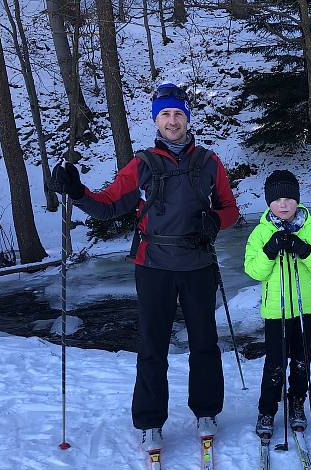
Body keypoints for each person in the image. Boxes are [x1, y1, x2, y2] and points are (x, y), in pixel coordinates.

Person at [51, 82, 240, 447]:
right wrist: (77, 192)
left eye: (178, 114)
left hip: (198, 263)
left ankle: (206, 412)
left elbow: (230, 210)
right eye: (165, 114)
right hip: (153, 265)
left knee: (205, 341)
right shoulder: (142, 164)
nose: (172, 121)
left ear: (187, 118)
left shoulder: (209, 162)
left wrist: (216, 221)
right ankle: (150, 421)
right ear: (156, 120)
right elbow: (107, 204)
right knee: (153, 344)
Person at [243, 170, 311, 439]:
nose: (283, 204)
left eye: (289, 198)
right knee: (275, 363)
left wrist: (303, 249)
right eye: (277, 199)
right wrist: (270, 250)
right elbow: (253, 271)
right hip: (276, 312)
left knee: (302, 361)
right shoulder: (260, 233)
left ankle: (297, 402)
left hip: (305, 310)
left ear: (297, 200)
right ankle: (267, 410)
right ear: (269, 202)